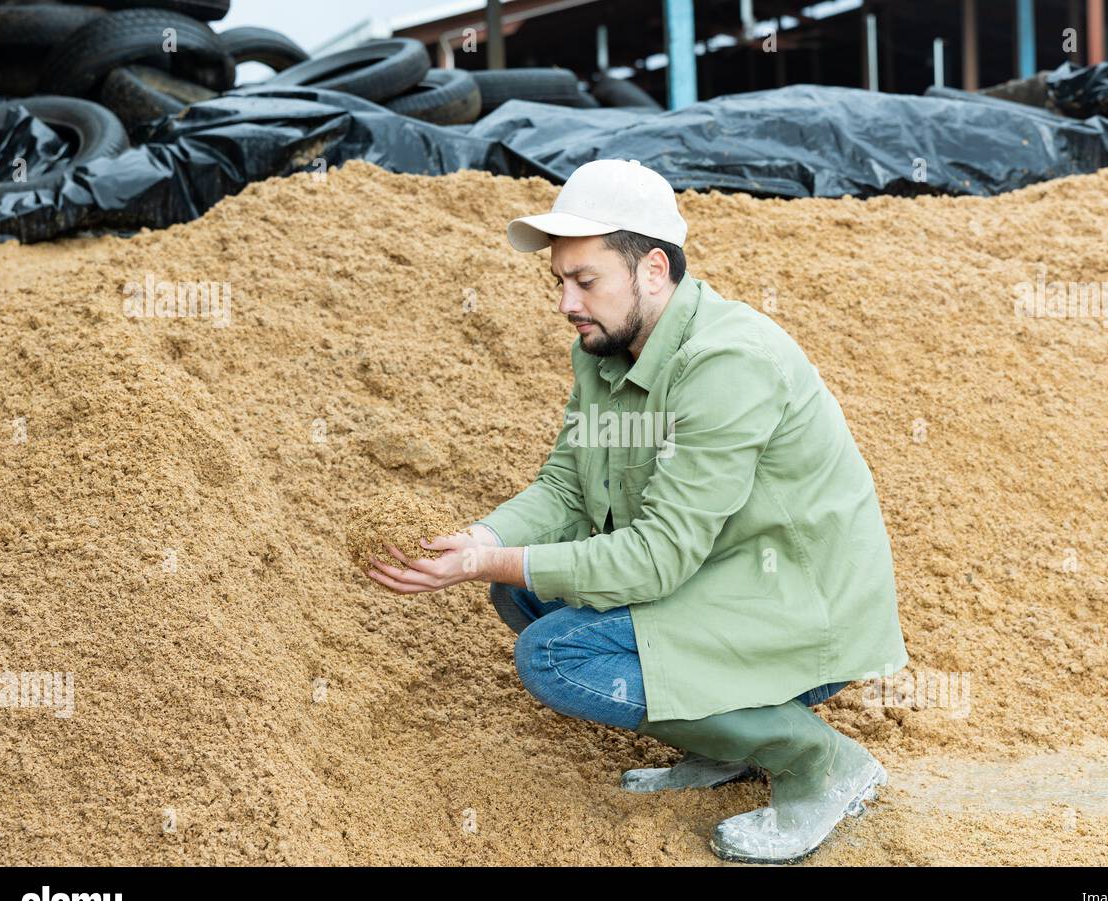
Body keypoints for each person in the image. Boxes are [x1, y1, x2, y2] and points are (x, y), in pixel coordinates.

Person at [364, 158, 909, 864]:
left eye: (584, 280)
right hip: (713, 582)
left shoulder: (726, 364)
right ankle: (726, 745)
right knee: (520, 589)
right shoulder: (603, 352)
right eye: (559, 280)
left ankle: (821, 765)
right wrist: (482, 539)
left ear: (654, 270)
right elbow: (564, 489)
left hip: (797, 608)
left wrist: (481, 560)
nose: (566, 301)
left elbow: (655, 557)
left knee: (555, 655)